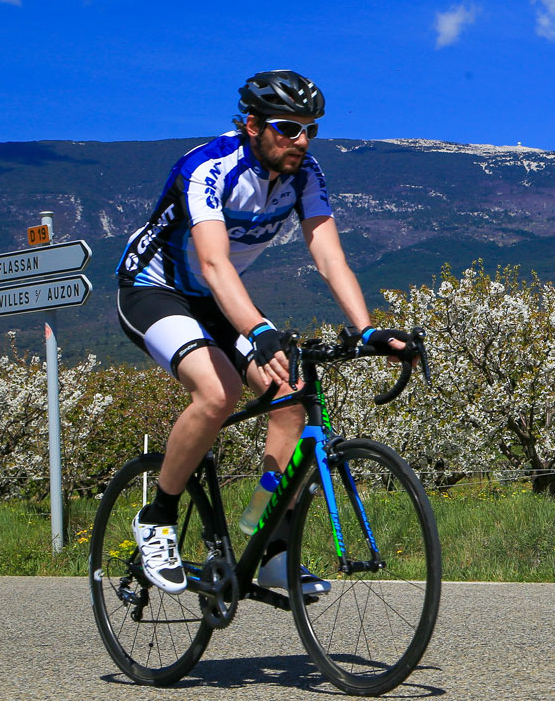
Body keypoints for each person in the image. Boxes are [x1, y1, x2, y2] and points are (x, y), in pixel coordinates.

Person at [116, 70, 409, 595]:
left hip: (218, 300)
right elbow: (212, 262)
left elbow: (328, 255)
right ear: (252, 124)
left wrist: (366, 331)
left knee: (291, 399)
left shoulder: (306, 175)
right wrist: (259, 328)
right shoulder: (207, 167)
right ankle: (156, 518)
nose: (300, 141)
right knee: (218, 391)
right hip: (154, 289)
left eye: (309, 130)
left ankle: (265, 539)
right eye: (286, 128)